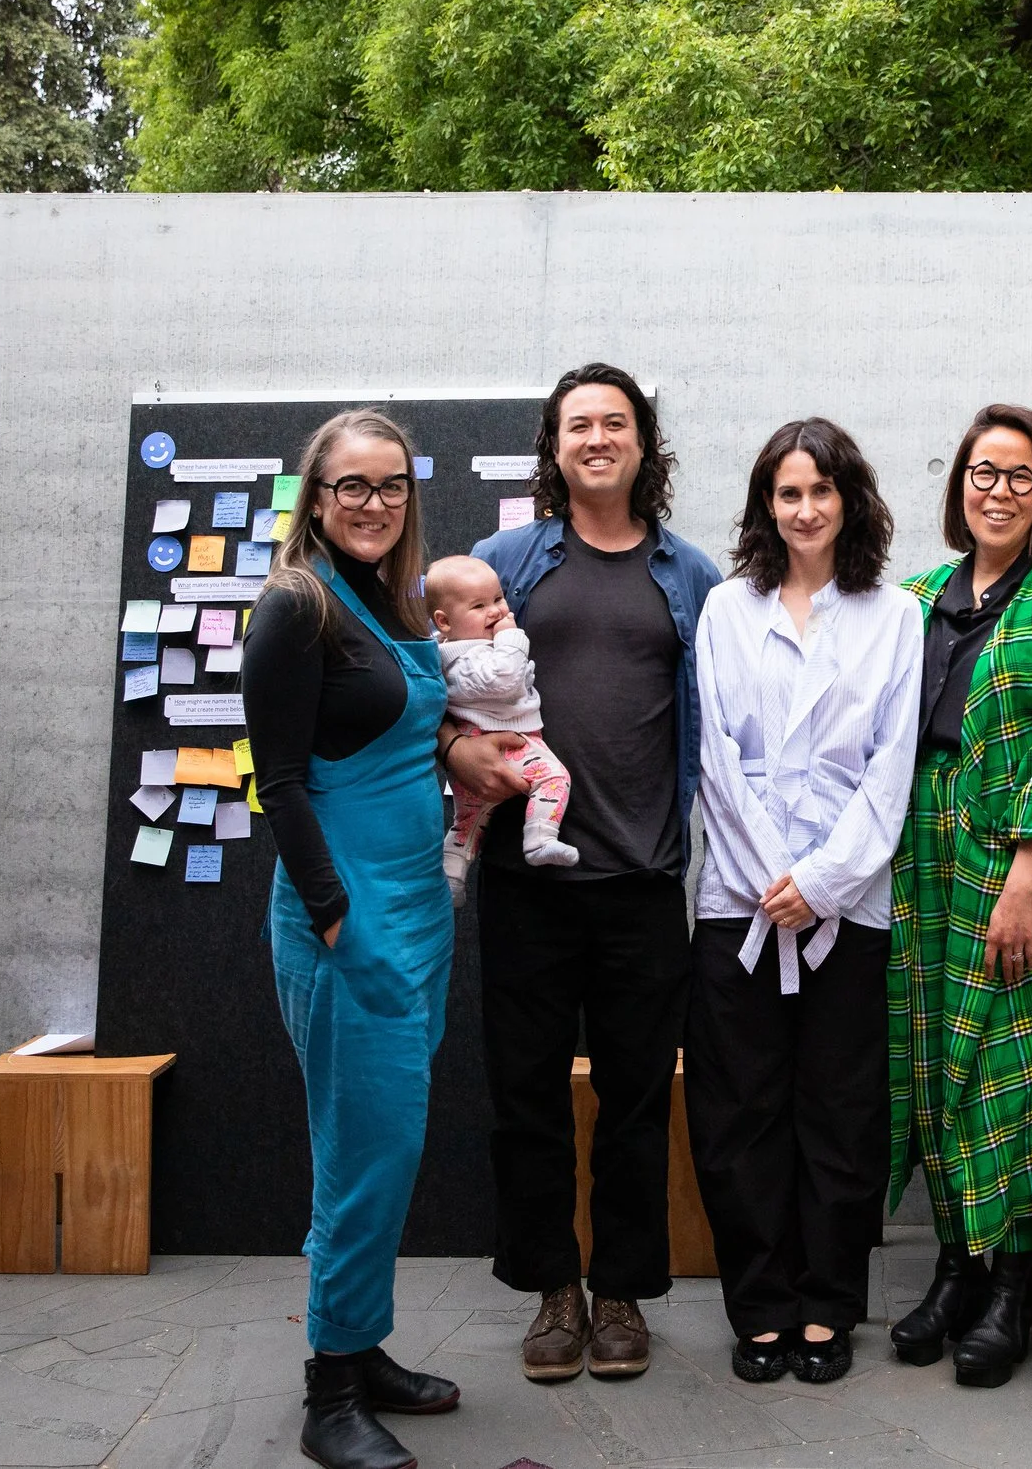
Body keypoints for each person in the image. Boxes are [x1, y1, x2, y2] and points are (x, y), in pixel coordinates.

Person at [452, 363, 721, 1385]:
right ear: (553, 446)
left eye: (616, 422)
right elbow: (439, 679)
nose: (597, 437)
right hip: (528, 881)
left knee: (637, 1102)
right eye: (579, 424)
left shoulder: (686, 572)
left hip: (643, 883)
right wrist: (449, 755)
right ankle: (550, 1290)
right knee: (524, 1100)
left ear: (644, 444)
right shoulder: (505, 560)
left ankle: (620, 1293)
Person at [240, 409, 463, 1469]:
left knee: (389, 1142)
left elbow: (412, 730)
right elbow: (279, 781)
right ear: (315, 498)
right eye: (352, 487)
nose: (374, 505)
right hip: (350, 919)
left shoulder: (388, 598)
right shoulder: (294, 604)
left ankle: (362, 1345)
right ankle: (330, 1392)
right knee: (362, 1153)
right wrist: (335, 915)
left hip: (419, 912)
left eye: (391, 487)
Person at [685, 418, 923, 1388]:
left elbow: (889, 770)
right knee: (739, 1112)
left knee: (840, 1111)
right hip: (738, 903)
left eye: (821, 491)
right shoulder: (724, 611)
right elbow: (715, 761)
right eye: (787, 493)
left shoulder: (893, 614)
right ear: (765, 506)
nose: (805, 508)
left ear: (849, 499)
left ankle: (828, 1304)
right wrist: (770, 880)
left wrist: (820, 885)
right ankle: (762, 1306)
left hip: (846, 907)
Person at [887, 403, 1032, 1389]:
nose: (999, 490)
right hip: (917, 855)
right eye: (984, 471)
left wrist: (1026, 878)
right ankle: (952, 1271)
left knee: (1011, 1066)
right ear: (958, 483)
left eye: (1021, 475)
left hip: (1009, 861)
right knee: (932, 1054)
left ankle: (1012, 1285)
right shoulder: (917, 593)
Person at [425, 554, 576, 900]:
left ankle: (450, 879)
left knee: (468, 822)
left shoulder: (463, 652)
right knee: (554, 778)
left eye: (497, 598)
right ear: (444, 622)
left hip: (473, 749)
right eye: (478, 606)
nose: (495, 611)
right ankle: (540, 837)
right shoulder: (466, 656)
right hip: (502, 744)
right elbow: (507, 680)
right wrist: (512, 639)